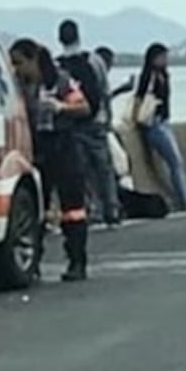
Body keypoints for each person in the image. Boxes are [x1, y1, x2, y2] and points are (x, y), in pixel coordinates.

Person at [9, 39, 91, 281]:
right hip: (36, 150)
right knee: (35, 210)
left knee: (72, 208)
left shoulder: (59, 81)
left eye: (20, 63)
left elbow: (85, 107)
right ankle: (31, 262)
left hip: (63, 146)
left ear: (34, 59)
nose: (17, 69)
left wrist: (61, 108)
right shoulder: (17, 87)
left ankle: (77, 260)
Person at [58, 20, 121, 227]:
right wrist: (107, 119)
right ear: (78, 35)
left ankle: (92, 208)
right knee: (104, 168)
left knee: (81, 170)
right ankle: (112, 208)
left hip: (72, 122)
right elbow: (103, 91)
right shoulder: (94, 60)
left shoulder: (58, 65)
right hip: (95, 122)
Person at [132, 42, 186, 212]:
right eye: (163, 57)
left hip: (164, 121)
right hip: (155, 123)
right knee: (176, 162)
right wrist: (135, 117)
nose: (166, 60)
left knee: (175, 163)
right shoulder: (148, 76)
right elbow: (139, 97)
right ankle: (185, 201)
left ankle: (181, 199)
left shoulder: (164, 75)